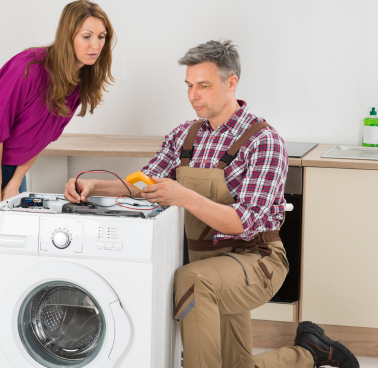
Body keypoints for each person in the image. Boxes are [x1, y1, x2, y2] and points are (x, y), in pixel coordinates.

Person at [64, 40, 359, 368]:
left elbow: (243, 221)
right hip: (212, 262)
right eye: (189, 86)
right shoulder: (183, 136)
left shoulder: (263, 141)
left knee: (192, 280)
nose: (193, 95)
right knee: (237, 365)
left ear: (231, 83)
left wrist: (183, 195)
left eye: (203, 86)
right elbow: (144, 182)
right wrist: (95, 187)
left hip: (257, 261)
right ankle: (310, 352)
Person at [0, 0, 115, 317]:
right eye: (87, 36)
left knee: (15, 237)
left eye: (101, 37)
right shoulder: (30, 67)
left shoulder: (80, 80)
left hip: (8, 154)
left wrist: (16, 180)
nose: (95, 45)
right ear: (69, 36)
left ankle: (11, 324)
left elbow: (44, 136)